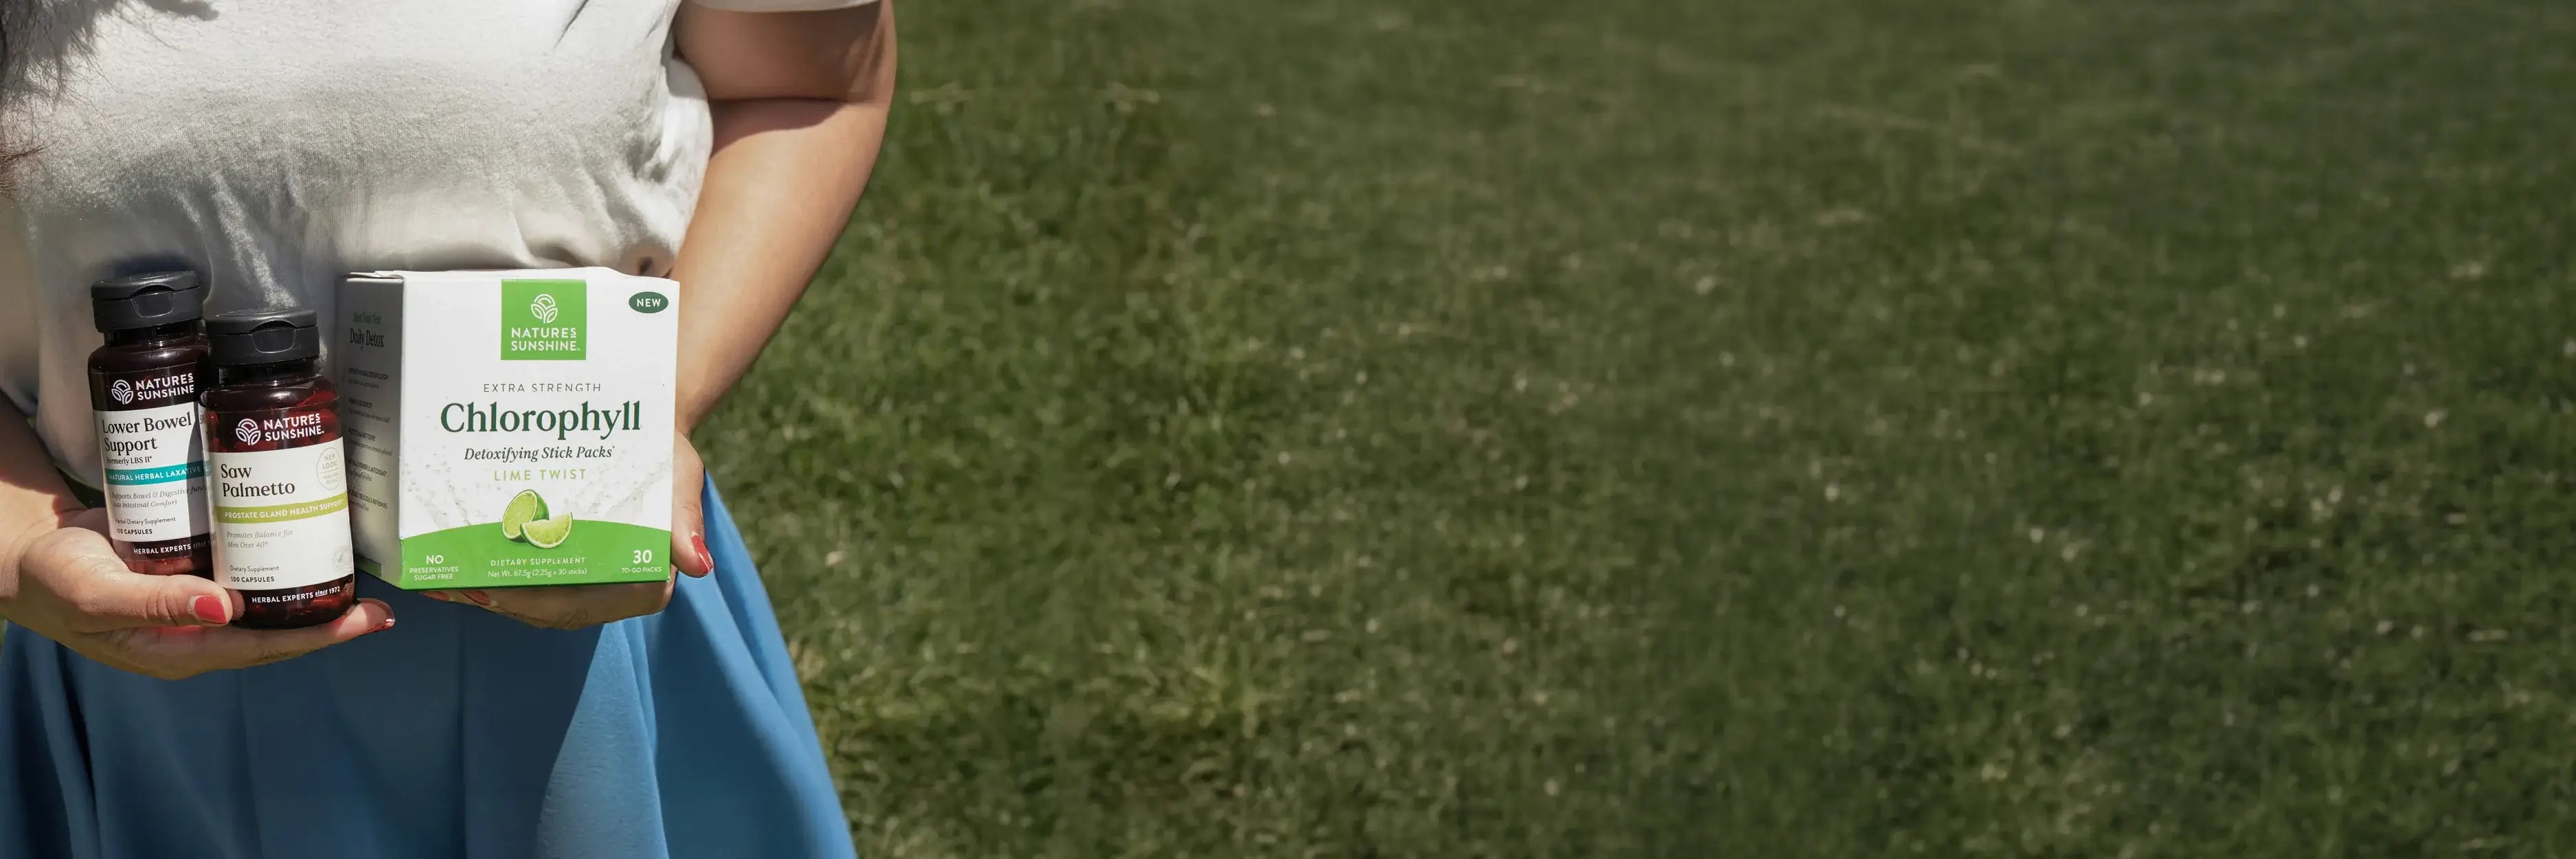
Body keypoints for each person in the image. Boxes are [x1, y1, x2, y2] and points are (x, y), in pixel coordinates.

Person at [0, 1, 894, 856]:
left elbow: (812, 80)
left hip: (576, 617)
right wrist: (18, 534)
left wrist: (651, 413)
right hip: (140, 637)